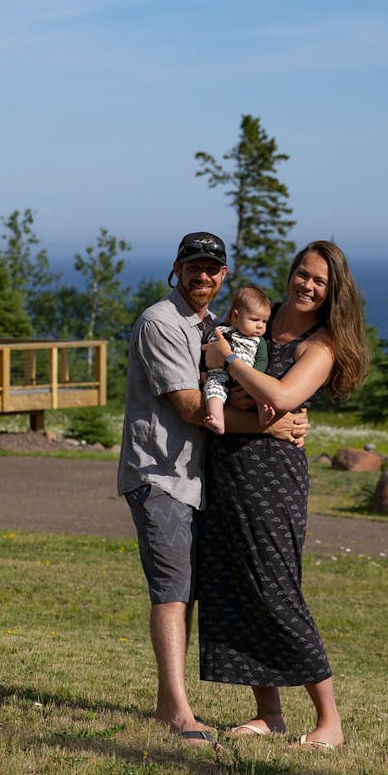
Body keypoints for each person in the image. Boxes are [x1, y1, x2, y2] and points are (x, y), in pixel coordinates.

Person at [117, 231, 309, 746]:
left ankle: (174, 702)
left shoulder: (213, 328)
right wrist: (270, 427)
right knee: (173, 589)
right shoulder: (161, 322)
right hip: (161, 473)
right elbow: (190, 408)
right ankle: (176, 712)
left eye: (213, 268)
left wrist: (287, 413)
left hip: (199, 478)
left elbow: (239, 387)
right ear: (176, 269)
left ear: (223, 275)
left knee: (193, 589)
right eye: (194, 266)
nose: (203, 275)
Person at [196, 240, 371, 750]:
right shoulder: (257, 315)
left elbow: (282, 397)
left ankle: (330, 721)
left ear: (333, 292)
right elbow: (221, 403)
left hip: (273, 480)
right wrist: (252, 414)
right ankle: (268, 713)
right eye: (303, 273)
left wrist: (226, 360)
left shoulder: (321, 345)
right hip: (226, 467)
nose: (307, 285)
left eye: (319, 281)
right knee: (235, 587)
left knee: (276, 590)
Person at [202, 286, 272, 435]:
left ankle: (263, 414)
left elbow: (262, 360)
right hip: (219, 374)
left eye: (264, 321)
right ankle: (217, 420)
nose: (260, 325)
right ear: (235, 316)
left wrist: (252, 375)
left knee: (261, 389)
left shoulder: (259, 341)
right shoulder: (221, 331)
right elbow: (206, 351)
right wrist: (203, 370)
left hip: (247, 377)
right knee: (213, 391)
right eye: (254, 320)